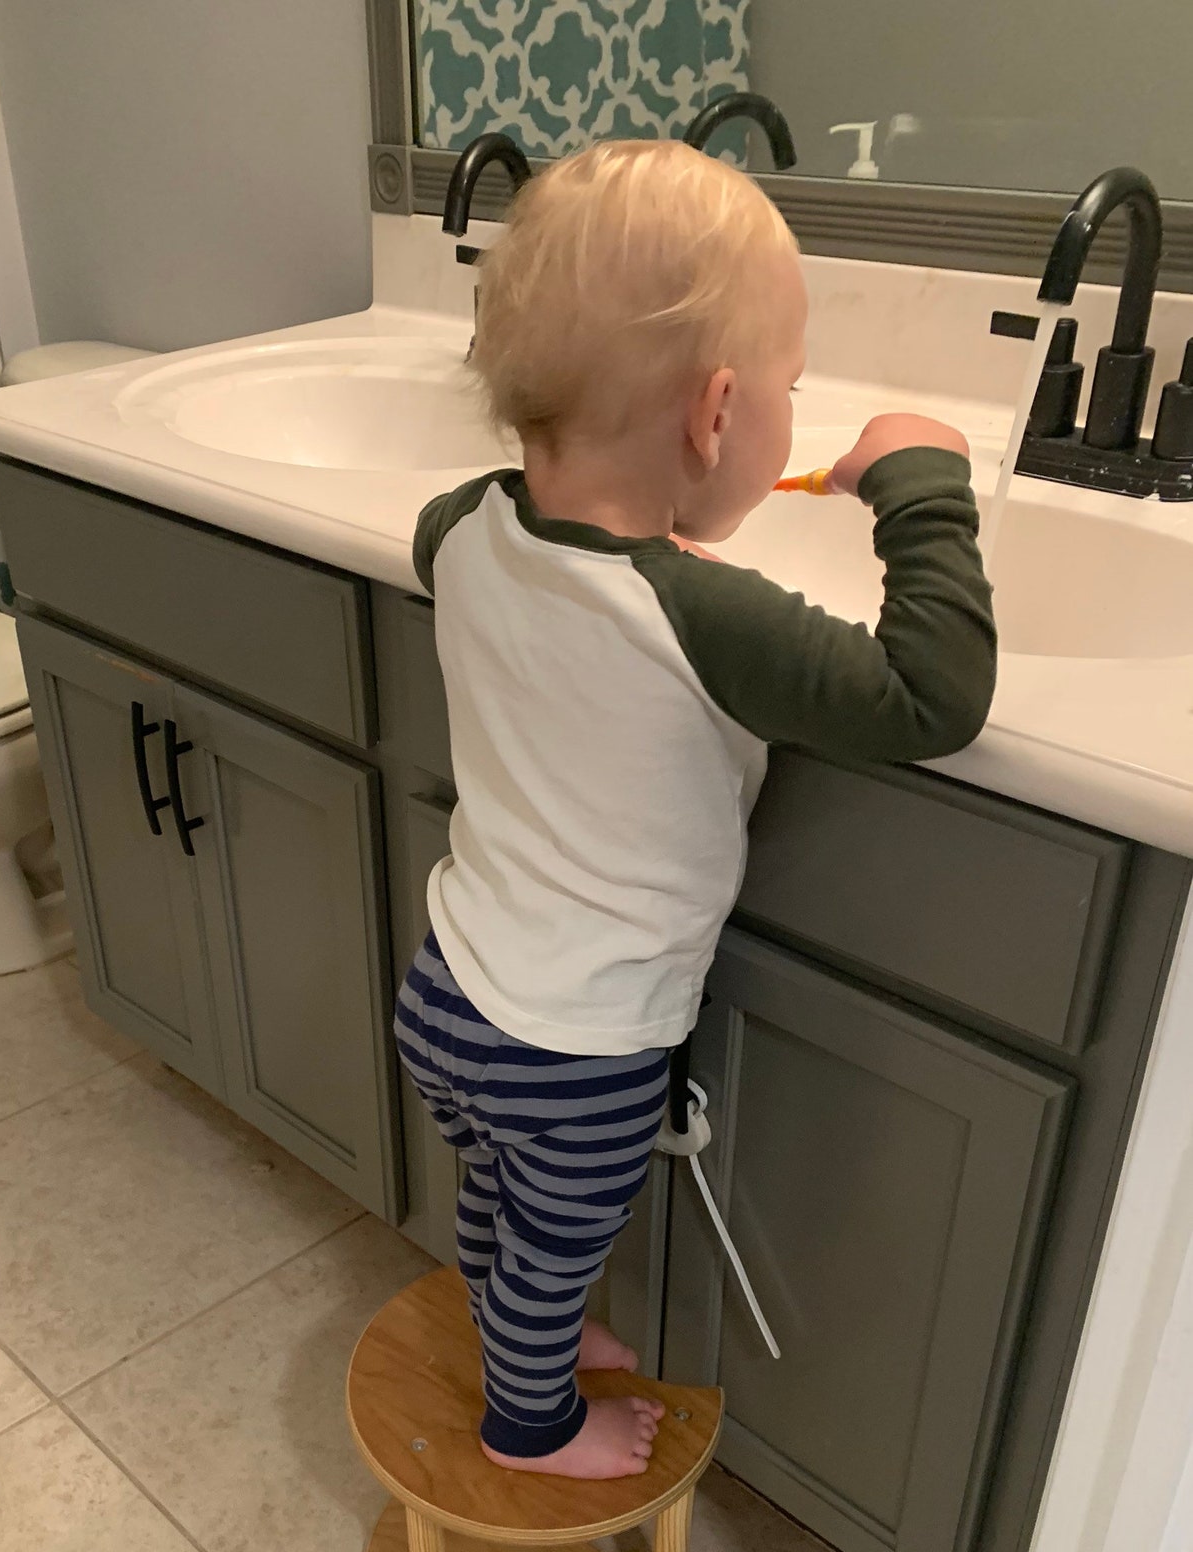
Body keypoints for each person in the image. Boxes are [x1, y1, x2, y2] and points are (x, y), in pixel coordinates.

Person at [394, 139, 996, 1480]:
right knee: (563, 1234)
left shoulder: (463, 527)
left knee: (498, 1198)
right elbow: (932, 694)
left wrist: (647, 522)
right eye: (791, 386)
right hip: (576, 1050)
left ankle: (519, 1334)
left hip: (449, 991)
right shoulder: (704, 611)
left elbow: (489, 541)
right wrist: (919, 479)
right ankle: (531, 1421)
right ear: (718, 416)